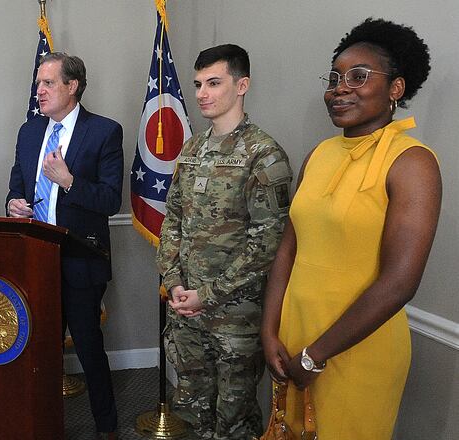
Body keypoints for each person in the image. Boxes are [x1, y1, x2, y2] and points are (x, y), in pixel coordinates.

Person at [260, 18, 441, 439]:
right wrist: (270, 331)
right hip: (295, 335)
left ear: (396, 88)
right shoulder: (319, 154)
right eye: (334, 78)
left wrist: (316, 355)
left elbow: (400, 282)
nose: (339, 89)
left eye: (358, 76)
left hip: (356, 346)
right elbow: (289, 249)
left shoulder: (412, 162)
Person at [157, 44, 292, 439]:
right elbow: (173, 219)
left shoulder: (264, 155)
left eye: (214, 83)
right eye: (198, 84)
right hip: (186, 311)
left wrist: (208, 294)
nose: (202, 93)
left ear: (242, 85)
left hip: (235, 318)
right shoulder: (192, 148)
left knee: (234, 420)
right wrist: (175, 282)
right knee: (194, 412)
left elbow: (266, 243)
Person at [6, 52, 124, 440]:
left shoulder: (104, 131)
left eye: (48, 83)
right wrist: (13, 202)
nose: (38, 90)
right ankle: (41, 426)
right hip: (35, 258)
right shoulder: (29, 132)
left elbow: (110, 201)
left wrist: (68, 180)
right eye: (38, 83)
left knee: (89, 347)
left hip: (80, 260)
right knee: (39, 351)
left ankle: (107, 427)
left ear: (72, 86)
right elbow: (17, 182)